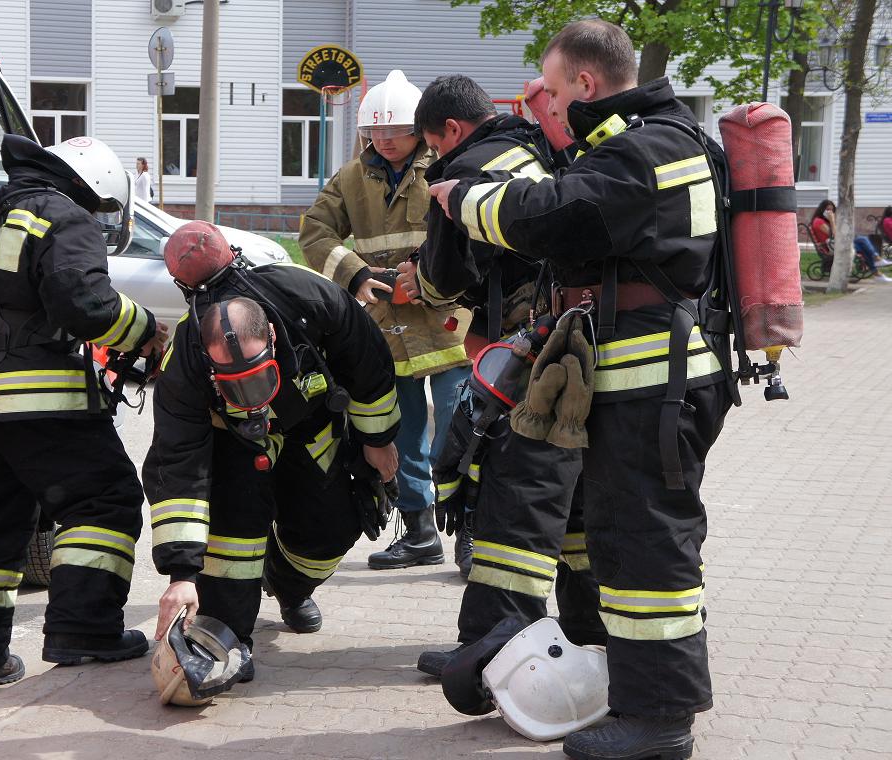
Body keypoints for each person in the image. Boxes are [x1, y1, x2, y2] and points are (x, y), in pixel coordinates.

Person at [431, 20, 734, 759]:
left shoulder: (654, 148)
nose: (550, 101)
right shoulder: (636, 144)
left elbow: (555, 216)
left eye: (557, 89)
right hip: (632, 383)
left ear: (588, 85)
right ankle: (616, 679)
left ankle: (660, 717)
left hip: (653, 384)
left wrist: (461, 197)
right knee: (607, 539)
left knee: (645, 549)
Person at [0, 134, 168, 696]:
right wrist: (145, 329)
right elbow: (83, 303)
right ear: (92, 186)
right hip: (41, 401)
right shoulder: (63, 215)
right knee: (103, 500)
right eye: (100, 206)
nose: (97, 216)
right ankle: (84, 630)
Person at [400, 74, 605, 677]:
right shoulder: (541, 147)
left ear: (453, 132)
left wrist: (420, 281)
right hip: (593, 342)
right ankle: (587, 628)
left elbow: (440, 280)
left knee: (511, 494)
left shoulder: (460, 173)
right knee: (580, 496)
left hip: (529, 355)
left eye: (434, 145)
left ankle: (491, 646)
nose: (436, 158)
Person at [144, 221, 401, 680]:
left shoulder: (309, 298)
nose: (253, 398)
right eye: (236, 387)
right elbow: (176, 464)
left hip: (311, 430)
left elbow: (369, 366)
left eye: (259, 380)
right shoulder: (184, 360)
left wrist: (378, 441)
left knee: (330, 530)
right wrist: (181, 573)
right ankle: (227, 638)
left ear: (274, 341)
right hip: (233, 444)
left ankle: (290, 587)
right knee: (232, 539)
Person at [300, 69, 470, 571]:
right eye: (375, 131)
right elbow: (314, 233)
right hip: (385, 329)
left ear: (419, 129)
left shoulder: (446, 167)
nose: (384, 139)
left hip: (448, 325)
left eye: (394, 129)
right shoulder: (351, 178)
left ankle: (471, 529)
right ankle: (419, 532)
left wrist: (430, 278)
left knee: (459, 432)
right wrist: (353, 276)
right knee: (400, 433)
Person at [810, 199, 892, 281]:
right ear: (822, 209)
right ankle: (876, 264)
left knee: (862, 244)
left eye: (832, 210)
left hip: (836, 244)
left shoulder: (824, 221)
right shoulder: (818, 222)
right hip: (832, 247)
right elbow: (835, 235)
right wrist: (832, 220)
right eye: (827, 210)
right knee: (862, 241)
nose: (830, 212)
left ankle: (877, 269)